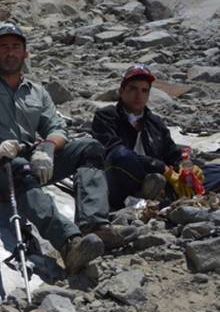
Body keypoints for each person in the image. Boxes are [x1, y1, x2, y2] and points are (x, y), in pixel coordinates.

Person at [0, 23, 138, 273]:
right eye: (4, 47)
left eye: (16, 47)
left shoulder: (37, 93)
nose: (10, 53)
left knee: (89, 148)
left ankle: (94, 225)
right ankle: (68, 244)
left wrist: (48, 148)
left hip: (24, 157)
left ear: (25, 53)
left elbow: (57, 126)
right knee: (20, 169)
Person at [91, 64, 213, 208]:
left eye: (144, 90)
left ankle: (170, 193)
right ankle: (155, 193)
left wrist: (186, 168)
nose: (139, 95)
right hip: (120, 179)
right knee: (121, 155)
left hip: (159, 178)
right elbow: (112, 150)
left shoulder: (155, 122)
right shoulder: (106, 116)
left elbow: (172, 153)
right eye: (133, 88)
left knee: (212, 170)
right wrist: (162, 168)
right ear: (121, 91)